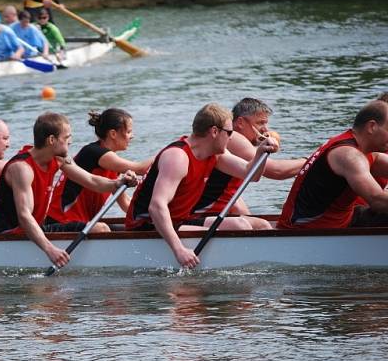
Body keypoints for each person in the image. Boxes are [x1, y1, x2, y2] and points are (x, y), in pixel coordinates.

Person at [124, 103, 278, 269]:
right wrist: (179, 250)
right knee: (239, 225)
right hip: (148, 224)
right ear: (214, 131)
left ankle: (260, 266)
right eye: (229, 133)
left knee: (260, 224)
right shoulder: (177, 157)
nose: (231, 138)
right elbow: (156, 206)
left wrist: (261, 153)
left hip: (181, 219)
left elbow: (252, 175)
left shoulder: (216, 155)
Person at [0, 112, 137, 268]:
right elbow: (25, 217)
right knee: (100, 228)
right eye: (67, 138)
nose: (71, 142)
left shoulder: (58, 159)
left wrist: (118, 183)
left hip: (36, 228)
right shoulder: (22, 169)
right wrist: (50, 250)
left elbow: (91, 180)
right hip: (11, 234)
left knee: (103, 227)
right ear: (51, 140)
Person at [192, 98, 305, 229]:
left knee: (261, 225)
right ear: (240, 122)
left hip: (214, 211)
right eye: (260, 123)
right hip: (197, 215)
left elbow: (231, 196)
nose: (265, 130)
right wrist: (311, 160)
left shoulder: (230, 142)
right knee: (254, 225)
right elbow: (276, 171)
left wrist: (250, 219)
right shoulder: (232, 138)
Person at [278, 100, 388, 230]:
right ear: (372, 127)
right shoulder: (349, 155)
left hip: (342, 221)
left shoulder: (364, 150)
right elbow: (377, 200)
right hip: (308, 230)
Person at [46, 108, 151, 228]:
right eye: (128, 132)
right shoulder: (93, 152)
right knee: (103, 228)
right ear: (113, 134)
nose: (132, 136)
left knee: (134, 228)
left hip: (83, 223)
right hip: (61, 221)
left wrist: (151, 217)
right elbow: (141, 169)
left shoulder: (112, 163)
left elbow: (126, 203)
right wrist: (171, 152)